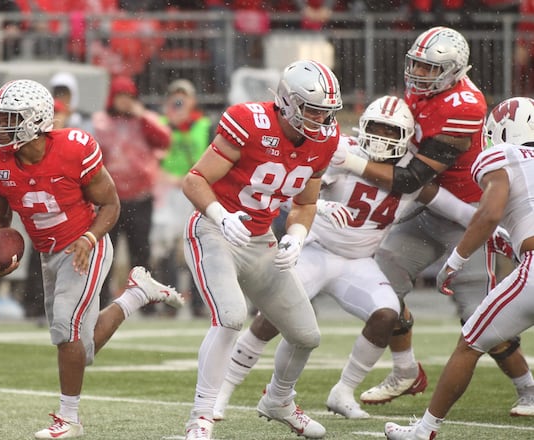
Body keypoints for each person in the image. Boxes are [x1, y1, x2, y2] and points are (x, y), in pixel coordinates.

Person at [212, 95, 497, 421]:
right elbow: (289, 196)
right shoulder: (341, 153)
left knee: (387, 313)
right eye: (376, 128)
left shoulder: (410, 174)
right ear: (362, 127)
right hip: (316, 250)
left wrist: (499, 229)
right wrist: (322, 206)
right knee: (274, 316)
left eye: (391, 131)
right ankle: (224, 390)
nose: (382, 137)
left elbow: (457, 209)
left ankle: (343, 391)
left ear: (404, 136)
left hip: (359, 261)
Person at [330, 26, 534, 415]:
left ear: (454, 70)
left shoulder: (465, 106)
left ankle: (528, 388)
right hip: (428, 210)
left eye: (429, 69)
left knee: (477, 316)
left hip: (470, 217)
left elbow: (411, 178)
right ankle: (406, 370)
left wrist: (352, 161)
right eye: (417, 66)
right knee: (383, 288)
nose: (418, 75)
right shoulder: (424, 91)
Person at [0, 79, 184, 439]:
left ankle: (69, 419)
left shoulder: (74, 148)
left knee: (64, 330)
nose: (2, 126)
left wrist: (90, 238)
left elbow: (111, 203)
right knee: (79, 348)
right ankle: (136, 294)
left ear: (35, 119)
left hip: (85, 245)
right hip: (48, 251)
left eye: (11, 118)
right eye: (1, 117)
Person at [180, 59, 342, 440]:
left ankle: (279, 400)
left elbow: (305, 203)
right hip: (214, 230)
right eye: (313, 110)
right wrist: (221, 216)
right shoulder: (248, 122)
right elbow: (195, 180)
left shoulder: (325, 141)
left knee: (306, 335)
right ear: (287, 102)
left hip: (260, 238)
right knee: (231, 317)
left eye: (326, 112)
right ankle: (201, 416)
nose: (321, 120)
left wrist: (297, 236)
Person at [384, 97, 534, 439]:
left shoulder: (502, 155)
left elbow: (489, 213)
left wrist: (456, 260)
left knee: (469, 344)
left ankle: (426, 429)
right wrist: (508, 240)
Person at [92, 75, 171, 312]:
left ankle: (145, 302)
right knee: (106, 254)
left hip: (140, 197)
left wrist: (142, 115)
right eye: (120, 96)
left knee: (141, 252)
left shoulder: (145, 119)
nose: (124, 101)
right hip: (109, 200)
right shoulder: (100, 122)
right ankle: (100, 301)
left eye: (128, 96)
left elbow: (164, 140)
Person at [153, 78, 211, 317]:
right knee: (166, 247)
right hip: (168, 189)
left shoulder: (203, 125)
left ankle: (198, 303)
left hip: (193, 189)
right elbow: (151, 158)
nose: (179, 100)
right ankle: (170, 302)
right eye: (175, 95)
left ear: (193, 100)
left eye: (184, 95)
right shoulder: (160, 124)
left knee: (196, 246)